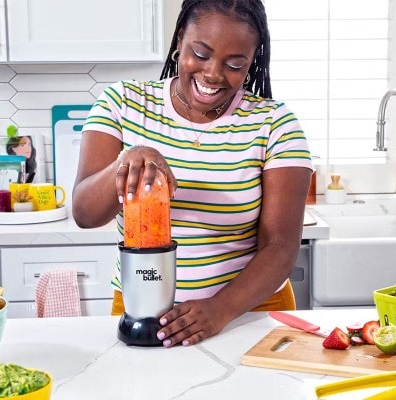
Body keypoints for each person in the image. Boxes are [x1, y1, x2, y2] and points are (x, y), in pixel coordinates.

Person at [73, 0, 312, 347]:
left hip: (250, 315)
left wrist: (219, 310)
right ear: (180, 38)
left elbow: (281, 246)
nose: (213, 74)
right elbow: (84, 213)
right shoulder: (122, 104)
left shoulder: (275, 124)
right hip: (142, 308)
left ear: (252, 62)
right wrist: (127, 161)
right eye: (200, 54)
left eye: (234, 64)